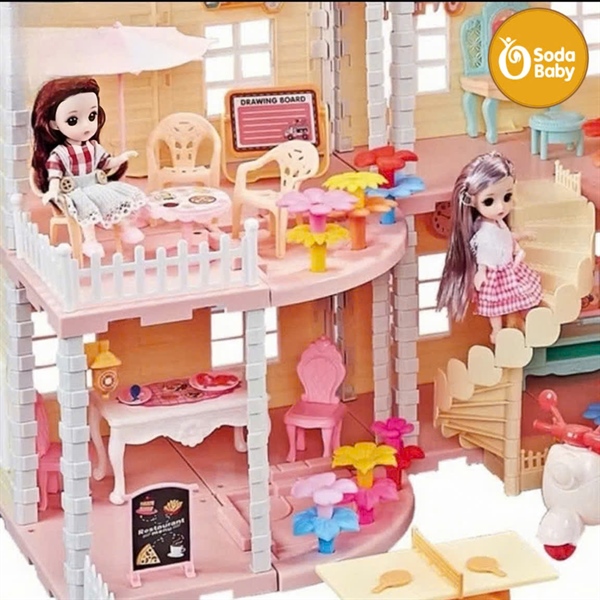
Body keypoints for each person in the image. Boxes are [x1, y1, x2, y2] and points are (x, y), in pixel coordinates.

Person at [31, 76, 146, 258]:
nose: (86, 126)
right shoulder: (60, 154)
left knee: (115, 197)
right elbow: (55, 175)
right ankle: (90, 241)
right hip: (75, 191)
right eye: (73, 120)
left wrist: (121, 158)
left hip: (95, 186)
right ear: (53, 124)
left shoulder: (93, 147)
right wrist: (53, 190)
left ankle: (125, 226)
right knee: (85, 208)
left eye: (92, 116)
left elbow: (106, 163)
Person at [436, 152, 542, 343]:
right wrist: (481, 271)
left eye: (507, 197)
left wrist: (522, 235)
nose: (501, 207)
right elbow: (484, 254)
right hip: (496, 272)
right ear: (472, 201)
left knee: (521, 293)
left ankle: (527, 318)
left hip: (508, 267)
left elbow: (505, 237)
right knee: (496, 306)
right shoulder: (484, 232)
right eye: (489, 201)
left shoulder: (498, 222)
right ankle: (497, 330)